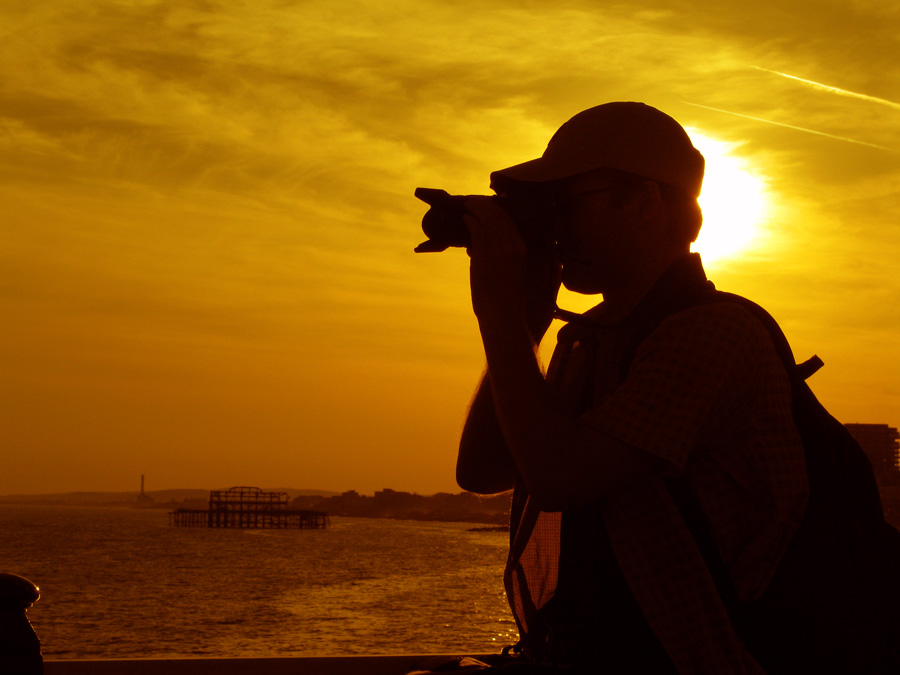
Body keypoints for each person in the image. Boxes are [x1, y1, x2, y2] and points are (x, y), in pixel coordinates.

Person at [456, 102, 808, 673]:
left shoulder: (710, 335)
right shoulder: (592, 341)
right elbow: (482, 470)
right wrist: (524, 326)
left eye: (565, 205)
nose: (554, 229)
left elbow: (560, 477)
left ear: (645, 202)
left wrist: (496, 312)